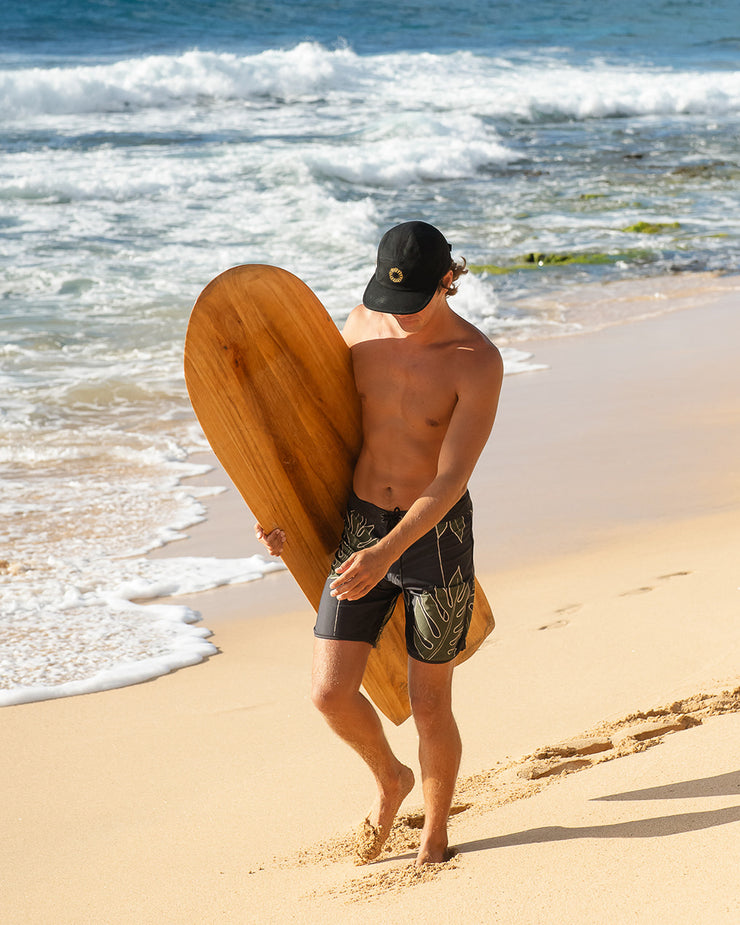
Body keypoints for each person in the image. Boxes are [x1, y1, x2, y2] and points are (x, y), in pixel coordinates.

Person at [256, 221, 503, 866]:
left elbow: (451, 479)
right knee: (329, 693)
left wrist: (387, 552)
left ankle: (436, 831)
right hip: (363, 524)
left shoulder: (476, 361)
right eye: (392, 302)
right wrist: (281, 513)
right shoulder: (361, 325)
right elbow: (319, 426)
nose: (402, 318)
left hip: (435, 540)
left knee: (429, 700)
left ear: (449, 282)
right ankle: (391, 779)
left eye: (416, 303)